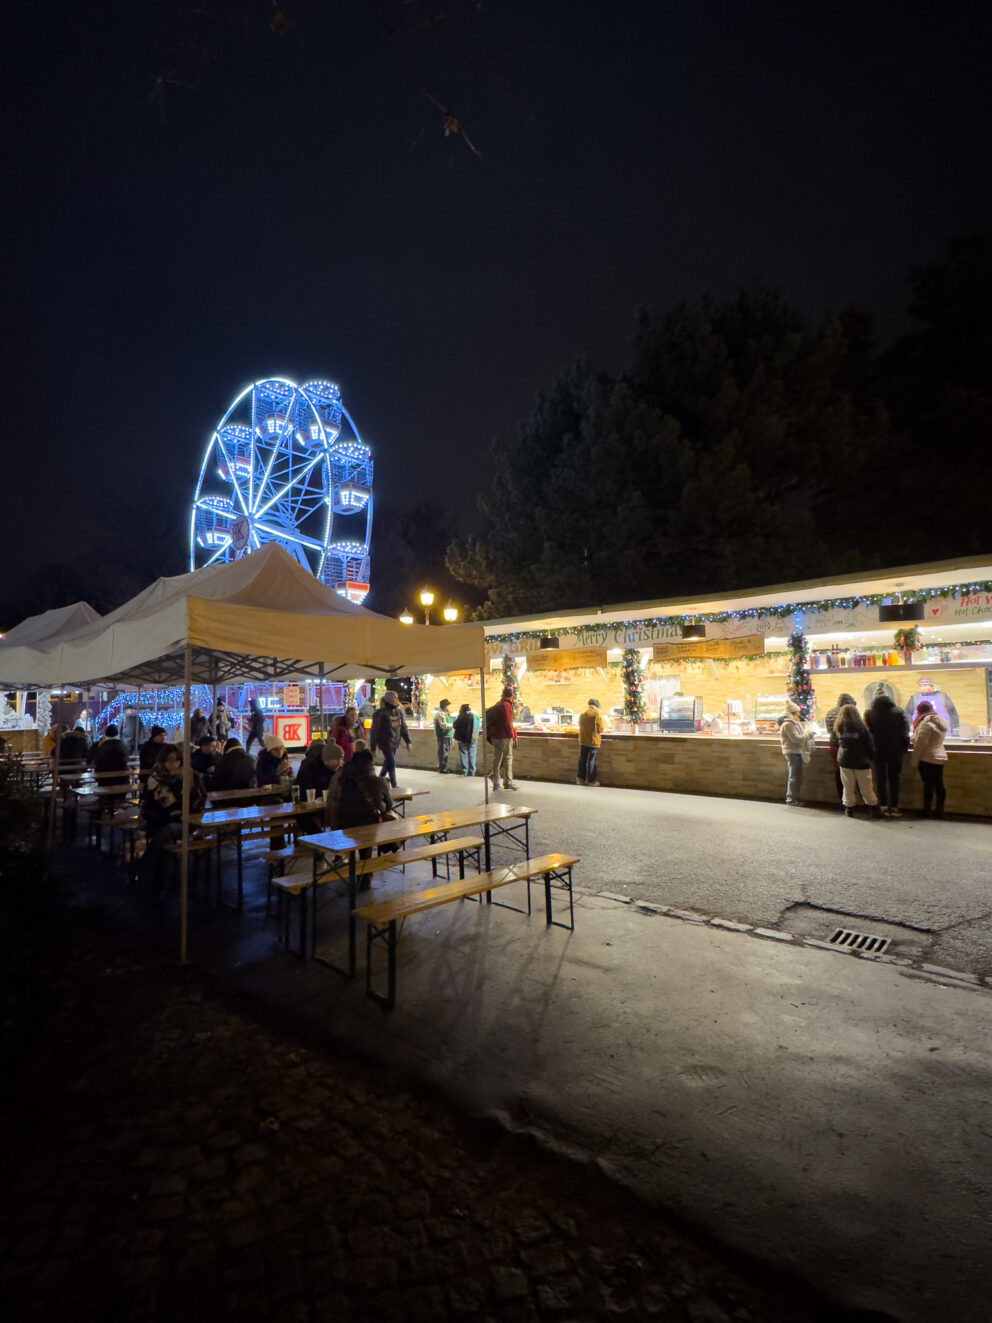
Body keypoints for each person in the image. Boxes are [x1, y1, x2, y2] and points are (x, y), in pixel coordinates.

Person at [140, 743, 208, 894]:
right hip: (159, 821)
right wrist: (166, 815)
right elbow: (147, 808)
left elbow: (199, 800)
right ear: (162, 761)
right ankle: (156, 883)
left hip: (184, 821)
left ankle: (144, 872)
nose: (174, 764)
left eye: (177, 760)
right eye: (169, 761)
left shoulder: (190, 776)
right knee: (165, 836)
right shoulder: (154, 779)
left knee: (166, 835)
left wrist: (183, 811)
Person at [325, 747, 395, 873]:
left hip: (341, 827)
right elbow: (388, 806)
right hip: (368, 829)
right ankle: (364, 877)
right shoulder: (378, 781)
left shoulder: (338, 778)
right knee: (366, 847)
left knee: (357, 835)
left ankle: (353, 871)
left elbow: (330, 802)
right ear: (370, 763)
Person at [864, 691, 910, 817]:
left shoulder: (869, 713)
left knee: (880, 779)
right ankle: (894, 807)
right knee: (894, 778)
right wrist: (905, 747)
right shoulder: (898, 712)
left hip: (877, 751)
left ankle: (883, 805)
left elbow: (868, 733)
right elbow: (905, 731)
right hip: (895, 750)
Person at [832, 704, 881, 818]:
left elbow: (836, 742)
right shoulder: (862, 729)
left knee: (848, 787)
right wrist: (871, 759)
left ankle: (849, 809)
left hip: (845, 761)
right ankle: (874, 808)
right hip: (861, 762)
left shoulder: (839, 728)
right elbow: (870, 746)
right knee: (866, 787)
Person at [911, 700, 948, 818]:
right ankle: (939, 810)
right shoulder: (940, 721)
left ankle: (927, 810)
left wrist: (914, 761)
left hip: (927, 758)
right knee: (939, 784)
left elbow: (921, 744)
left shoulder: (925, 724)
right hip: (939, 756)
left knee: (928, 785)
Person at [296, 739, 343, 831]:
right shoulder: (309, 769)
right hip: (308, 810)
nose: (339, 762)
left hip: (328, 807)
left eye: (341, 759)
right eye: (336, 759)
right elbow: (305, 792)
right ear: (326, 760)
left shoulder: (337, 770)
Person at [370, 689, 411, 788]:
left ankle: (379, 780)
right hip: (385, 742)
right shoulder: (380, 714)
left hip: (395, 741)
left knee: (387, 762)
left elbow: (403, 727)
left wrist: (408, 741)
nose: (397, 700)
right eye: (395, 698)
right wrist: (373, 747)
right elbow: (374, 731)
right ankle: (394, 784)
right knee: (391, 762)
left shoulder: (398, 712)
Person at [824, 693, 857, 805]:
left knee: (838, 774)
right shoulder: (848, 713)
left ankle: (842, 800)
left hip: (833, 746)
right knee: (850, 775)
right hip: (845, 747)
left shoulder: (830, 712)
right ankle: (850, 801)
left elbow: (829, 730)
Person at [778, 700, 811, 806]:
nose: (799, 715)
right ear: (793, 713)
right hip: (792, 752)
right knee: (794, 776)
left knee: (796, 776)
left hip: (795, 752)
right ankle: (791, 798)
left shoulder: (792, 724)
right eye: (797, 713)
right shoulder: (789, 725)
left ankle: (793, 798)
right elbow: (796, 739)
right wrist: (808, 735)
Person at [485, 686, 518, 791]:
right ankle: (507, 782)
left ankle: (496, 782)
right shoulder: (506, 705)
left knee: (497, 759)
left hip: (495, 736)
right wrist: (513, 736)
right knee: (508, 758)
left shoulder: (498, 705)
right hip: (504, 736)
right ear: (511, 695)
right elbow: (509, 722)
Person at [576, 697, 606, 786]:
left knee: (582, 760)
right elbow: (600, 729)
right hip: (593, 741)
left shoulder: (583, 714)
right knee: (591, 761)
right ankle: (591, 781)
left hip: (583, 740)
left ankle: (580, 779)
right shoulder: (597, 715)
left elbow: (580, 725)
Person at [452, 702, 480, 776]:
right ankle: (472, 772)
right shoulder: (474, 717)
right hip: (472, 739)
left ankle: (464, 771)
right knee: (472, 756)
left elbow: (454, 725)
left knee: (463, 755)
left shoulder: (460, 717)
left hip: (462, 739)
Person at [433, 698, 453, 773]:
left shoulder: (444, 714)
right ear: (444, 706)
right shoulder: (441, 714)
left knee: (443, 752)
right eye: (447, 706)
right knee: (443, 753)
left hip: (445, 736)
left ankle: (442, 767)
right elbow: (443, 725)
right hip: (443, 736)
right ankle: (442, 768)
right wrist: (451, 725)